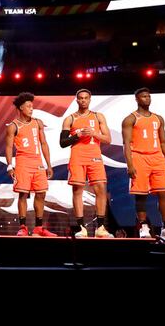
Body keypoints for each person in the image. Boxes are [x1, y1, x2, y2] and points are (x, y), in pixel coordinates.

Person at [121, 87, 165, 240]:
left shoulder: (158, 118)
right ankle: (143, 228)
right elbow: (126, 143)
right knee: (141, 194)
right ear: (137, 99)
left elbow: (164, 142)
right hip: (139, 157)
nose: (147, 99)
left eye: (149, 96)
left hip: (157, 158)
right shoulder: (130, 119)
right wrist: (130, 164)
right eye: (144, 96)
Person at [60, 89, 114, 238]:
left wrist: (94, 133)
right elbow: (62, 143)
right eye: (81, 98)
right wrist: (77, 135)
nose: (83, 100)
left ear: (90, 100)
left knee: (101, 189)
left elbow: (108, 139)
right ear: (77, 100)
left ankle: (100, 228)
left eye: (86, 98)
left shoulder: (98, 116)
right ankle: (81, 228)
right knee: (77, 190)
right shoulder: (70, 119)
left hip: (94, 155)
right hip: (77, 156)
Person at [5, 92, 57, 237]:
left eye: (32, 106)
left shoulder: (37, 123)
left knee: (41, 193)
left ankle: (38, 228)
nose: (31, 108)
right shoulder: (13, 126)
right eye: (28, 106)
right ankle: (22, 227)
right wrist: (10, 165)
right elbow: (9, 147)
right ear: (21, 108)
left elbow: (44, 144)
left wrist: (49, 164)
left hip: (38, 162)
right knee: (23, 194)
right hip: (22, 162)